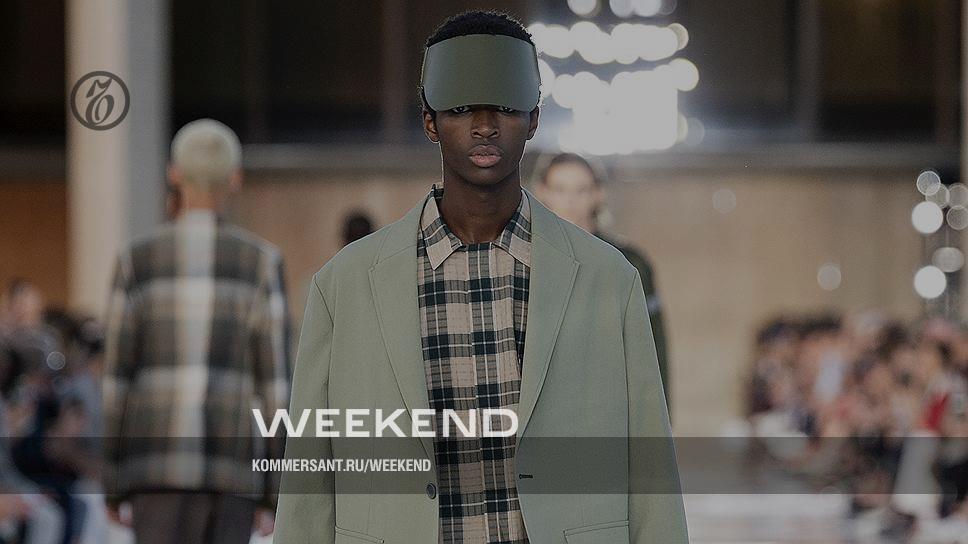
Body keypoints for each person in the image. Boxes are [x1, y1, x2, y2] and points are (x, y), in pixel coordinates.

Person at [274, 11, 687, 544]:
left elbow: (650, 468)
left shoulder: (609, 281)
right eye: (462, 108)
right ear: (430, 122)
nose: (485, 125)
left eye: (506, 108)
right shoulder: (344, 287)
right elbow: (310, 478)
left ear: (534, 120)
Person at [102, 119, 291, 543]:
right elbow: (276, 390)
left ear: (174, 174)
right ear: (235, 179)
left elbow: (116, 383)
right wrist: (274, 490)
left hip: (156, 470)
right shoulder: (262, 263)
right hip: (233, 472)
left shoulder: (135, 261)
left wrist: (113, 479)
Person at [532, 152, 673, 413]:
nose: (570, 201)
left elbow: (653, 348)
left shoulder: (629, 263)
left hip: (610, 406)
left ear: (598, 194)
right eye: (560, 189)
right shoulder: (526, 259)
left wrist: (659, 421)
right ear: (542, 193)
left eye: (581, 190)